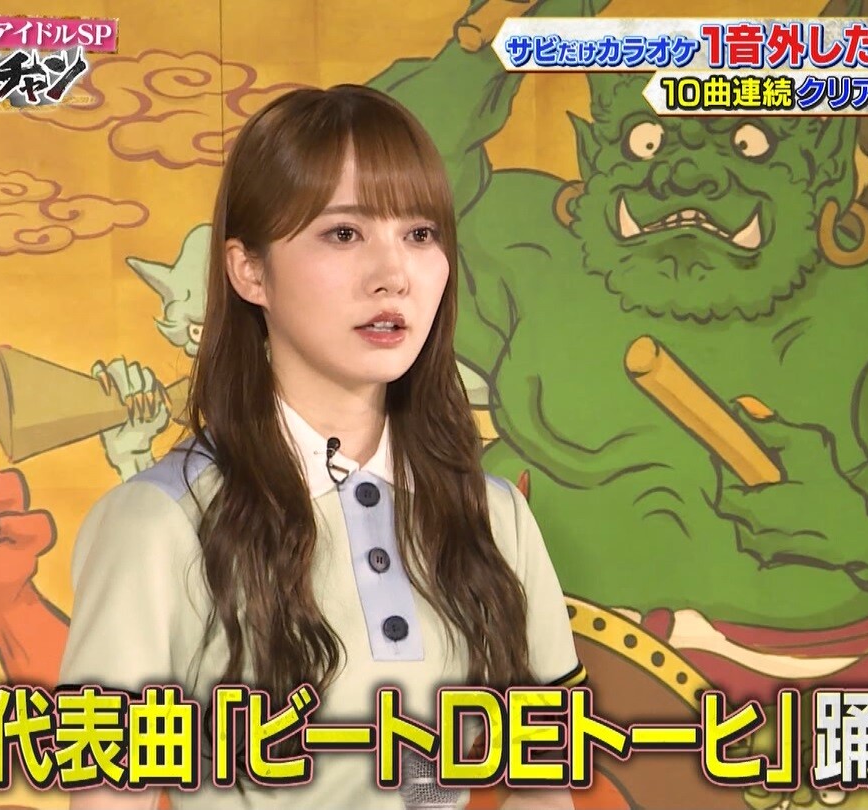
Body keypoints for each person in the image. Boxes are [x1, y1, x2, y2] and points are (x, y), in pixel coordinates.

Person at [59, 85, 583, 809]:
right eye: (344, 233)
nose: (393, 275)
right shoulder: (159, 522)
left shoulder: (494, 515)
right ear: (250, 270)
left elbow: (544, 787)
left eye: (420, 234)